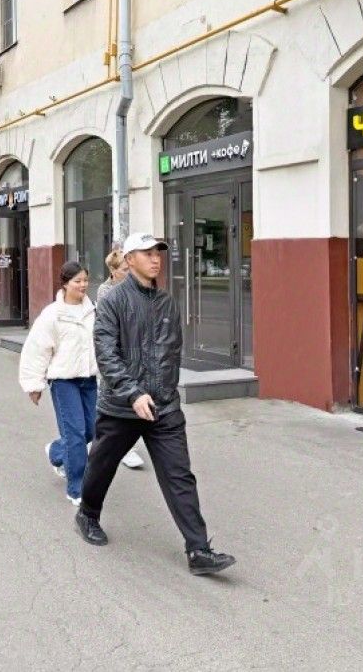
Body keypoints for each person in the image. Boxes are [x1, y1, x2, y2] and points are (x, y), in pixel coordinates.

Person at [75, 233, 236, 576]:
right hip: (122, 406)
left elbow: (171, 352)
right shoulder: (113, 301)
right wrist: (133, 393)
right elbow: (106, 353)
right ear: (129, 259)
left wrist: (165, 395)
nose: (155, 259)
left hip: (163, 407)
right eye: (147, 253)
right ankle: (87, 514)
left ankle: (198, 550)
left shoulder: (167, 303)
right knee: (102, 465)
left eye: (158, 253)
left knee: (179, 475)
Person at [19, 262, 98, 506]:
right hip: (64, 382)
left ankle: (56, 451)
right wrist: (34, 385)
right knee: (75, 435)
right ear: (65, 283)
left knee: (91, 430)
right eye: (77, 281)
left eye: (85, 280)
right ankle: (76, 489)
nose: (83, 285)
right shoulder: (53, 314)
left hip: (89, 380)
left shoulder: (93, 311)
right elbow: (37, 350)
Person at [95, 248, 144, 471]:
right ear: (113, 271)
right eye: (125, 269)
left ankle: (122, 445)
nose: (129, 273)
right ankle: (125, 449)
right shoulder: (105, 291)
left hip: (135, 354)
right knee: (115, 401)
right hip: (115, 354)